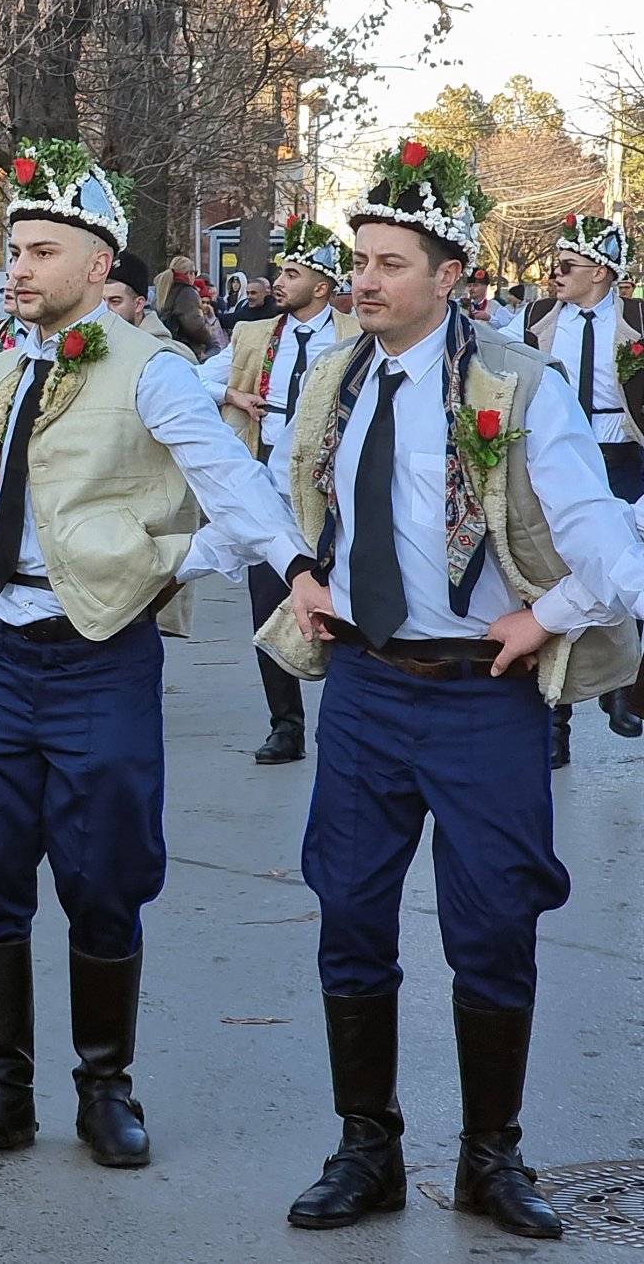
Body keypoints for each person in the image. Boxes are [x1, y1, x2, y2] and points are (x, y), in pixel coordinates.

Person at [0, 138, 309, 1172]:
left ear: (99, 265)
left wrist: (218, 563)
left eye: (41, 249)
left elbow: (231, 483)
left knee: (104, 875)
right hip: (2, 656)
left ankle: (105, 1088)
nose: (18, 266)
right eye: (13, 247)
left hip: (101, 656)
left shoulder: (155, 373)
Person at [270, 139, 644, 1241]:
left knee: (492, 924)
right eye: (361, 260)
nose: (366, 280)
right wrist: (305, 571)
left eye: (391, 262)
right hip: (367, 689)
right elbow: (296, 495)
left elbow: (616, 562)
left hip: (482, 694)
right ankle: (366, 1148)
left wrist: (543, 617)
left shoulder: (512, 384)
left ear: (450, 275)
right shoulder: (337, 374)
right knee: (348, 910)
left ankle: (492, 1156)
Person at [196, 217, 359, 765]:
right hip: (268, 483)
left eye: (293, 273)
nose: (279, 282)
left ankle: (341, 722)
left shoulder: (356, 334)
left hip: (333, 489)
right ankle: (284, 724)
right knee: (268, 601)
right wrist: (234, 395)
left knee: (344, 605)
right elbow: (195, 379)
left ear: (323, 286)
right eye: (280, 272)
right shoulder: (254, 333)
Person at [519, 213, 644, 766]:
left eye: (566, 266)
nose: (554, 276)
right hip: (563, 459)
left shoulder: (636, 318)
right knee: (557, 573)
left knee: (626, 565)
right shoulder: (539, 317)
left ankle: (624, 688)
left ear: (601, 271)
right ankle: (554, 723)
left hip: (623, 456)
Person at [156, 255, 218, 359]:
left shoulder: (165, 289)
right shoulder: (187, 292)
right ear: (189, 273)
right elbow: (195, 326)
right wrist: (208, 333)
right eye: (195, 272)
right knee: (216, 348)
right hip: (187, 349)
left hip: (168, 346)